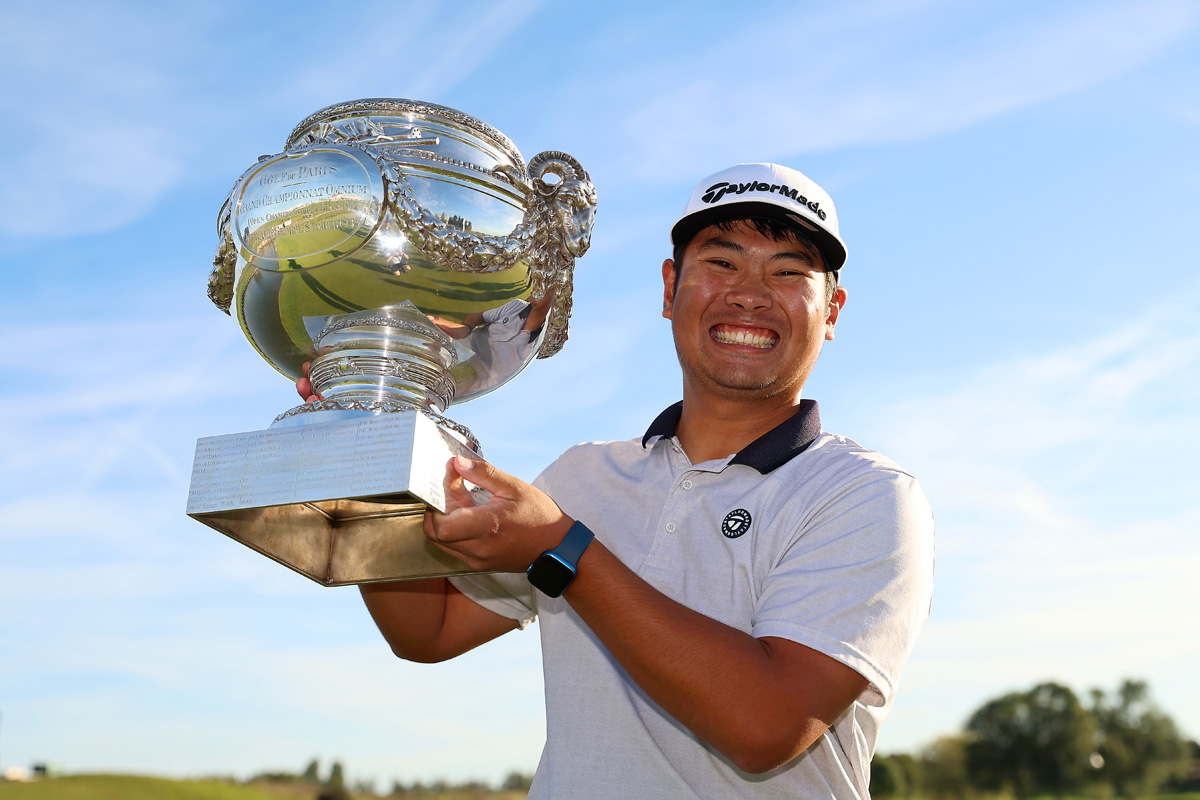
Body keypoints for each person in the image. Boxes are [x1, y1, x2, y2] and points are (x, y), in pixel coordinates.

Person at [319, 163, 935, 798]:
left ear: (830, 310)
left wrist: (563, 549)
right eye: (722, 263)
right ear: (670, 289)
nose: (749, 293)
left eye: (787, 271)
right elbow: (428, 631)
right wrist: (376, 429)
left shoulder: (865, 494)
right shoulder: (584, 475)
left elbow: (767, 726)